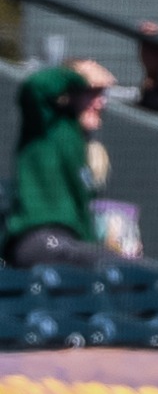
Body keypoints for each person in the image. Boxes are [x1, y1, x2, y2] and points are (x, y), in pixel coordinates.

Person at [4, 59, 125, 269]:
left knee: (127, 270)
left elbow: (83, 222)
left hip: (70, 243)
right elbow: (35, 86)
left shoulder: (80, 144)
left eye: (101, 94)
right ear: (71, 93)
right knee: (117, 266)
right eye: (92, 93)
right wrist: (78, 77)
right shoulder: (47, 124)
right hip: (40, 239)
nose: (100, 102)